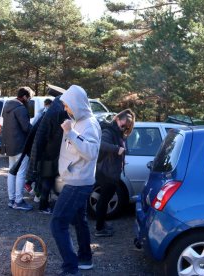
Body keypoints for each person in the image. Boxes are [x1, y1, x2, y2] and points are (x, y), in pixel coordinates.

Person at [50, 85, 101, 276]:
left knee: (57, 224)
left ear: (76, 104)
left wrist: (71, 133)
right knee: (79, 220)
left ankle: (71, 269)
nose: (65, 109)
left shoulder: (89, 123)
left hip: (78, 183)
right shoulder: (79, 121)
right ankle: (85, 259)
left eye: (67, 105)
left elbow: (91, 151)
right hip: (76, 179)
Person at [94, 109, 135, 237]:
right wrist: (117, 149)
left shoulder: (117, 132)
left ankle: (102, 224)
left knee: (105, 200)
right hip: (106, 172)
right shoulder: (109, 131)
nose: (125, 128)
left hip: (111, 172)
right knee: (103, 201)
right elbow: (100, 145)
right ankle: (99, 229)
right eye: (124, 125)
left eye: (127, 126)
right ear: (117, 119)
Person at [26, 95, 68, 214]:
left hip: (46, 151)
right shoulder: (59, 113)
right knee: (47, 180)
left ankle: (43, 202)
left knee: (46, 179)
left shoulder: (50, 112)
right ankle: (43, 206)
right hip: (51, 153)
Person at [1, 87, 34, 211]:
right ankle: (19, 201)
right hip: (20, 145)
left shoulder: (7, 106)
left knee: (12, 171)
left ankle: (12, 200)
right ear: (24, 97)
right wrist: (35, 130)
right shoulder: (21, 109)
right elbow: (26, 128)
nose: (29, 100)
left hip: (9, 145)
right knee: (20, 173)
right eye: (29, 97)